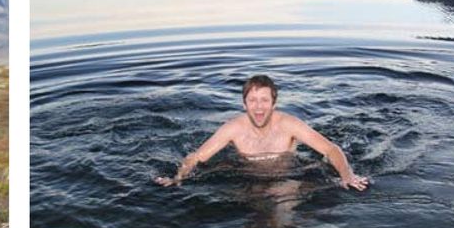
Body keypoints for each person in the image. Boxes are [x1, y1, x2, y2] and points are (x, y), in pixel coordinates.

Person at [155, 74, 369, 190]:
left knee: (282, 208)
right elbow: (197, 156)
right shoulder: (233, 128)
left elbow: (331, 149)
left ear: (273, 103)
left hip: (287, 175)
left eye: (264, 100)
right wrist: (178, 177)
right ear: (244, 104)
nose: (259, 107)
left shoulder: (290, 124)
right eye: (253, 101)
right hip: (247, 175)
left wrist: (347, 175)